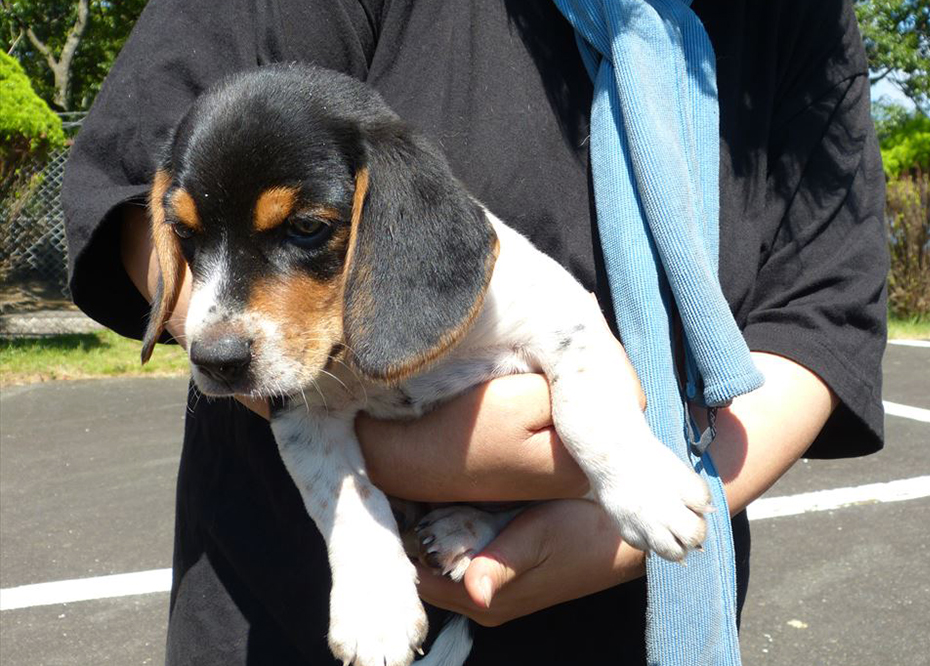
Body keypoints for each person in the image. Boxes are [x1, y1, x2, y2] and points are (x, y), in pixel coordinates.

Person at [61, 0, 888, 664]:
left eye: (305, 231)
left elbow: (817, 314)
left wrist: (611, 489)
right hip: (279, 612)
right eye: (199, 246)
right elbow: (140, 173)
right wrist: (376, 530)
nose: (217, 330)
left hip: (622, 608)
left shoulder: (798, 22)